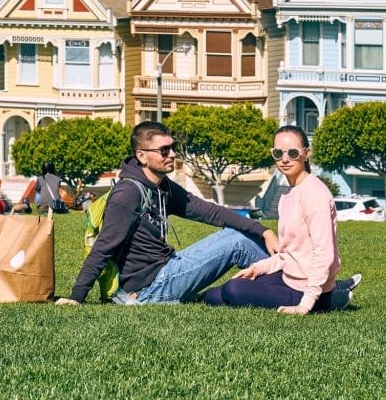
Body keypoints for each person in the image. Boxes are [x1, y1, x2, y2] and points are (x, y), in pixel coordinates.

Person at [55, 121, 280, 306]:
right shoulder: (128, 193)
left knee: (236, 232)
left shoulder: (163, 187)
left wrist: (264, 231)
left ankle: (295, 281)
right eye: (164, 150)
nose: (172, 154)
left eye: (173, 148)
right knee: (237, 242)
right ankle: (294, 284)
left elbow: (211, 212)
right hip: (147, 288)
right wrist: (77, 297)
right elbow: (104, 247)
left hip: (166, 268)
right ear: (142, 156)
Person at [203, 125, 357, 314]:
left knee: (233, 290)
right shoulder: (287, 195)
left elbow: (325, 254)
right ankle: (330, 295)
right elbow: (287, 254)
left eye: (293, 153)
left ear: (306, 154)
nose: (284, 159)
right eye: (278, 153)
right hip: (288, 277)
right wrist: (257, 268)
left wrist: (305, 305)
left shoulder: (315, 194)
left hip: (306, 287)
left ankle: (326, 301)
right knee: (214, 295)